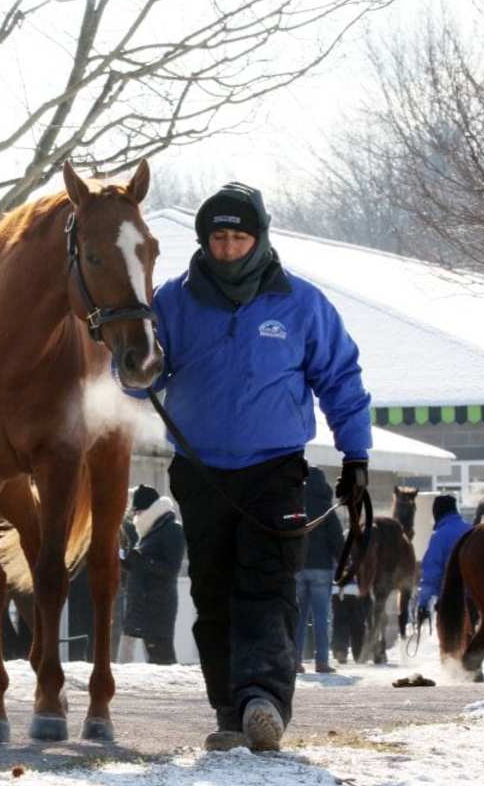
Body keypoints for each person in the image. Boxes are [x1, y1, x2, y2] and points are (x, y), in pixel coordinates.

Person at [124, 182, 371, 751]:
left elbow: (341, 381)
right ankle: (229, 711)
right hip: (201, 471)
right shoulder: (172, 302)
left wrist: (355, 457)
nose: (229, 247)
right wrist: (132, 373)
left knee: (265, 584)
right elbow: (141, 379)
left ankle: (263, 699)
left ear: (259, 238)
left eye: (239, 236)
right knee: (213, 591)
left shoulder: (301, 303)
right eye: (218, 237)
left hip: (275, 469)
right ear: (204, 241)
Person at [119, 484, 186, 665]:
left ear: (148, 510)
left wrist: (140, 560)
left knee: (162, 661)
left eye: (138, 512)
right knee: (125, 658)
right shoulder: (150, 531)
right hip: (138, 604)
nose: (135, 517)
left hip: (157, 607)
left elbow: (171, 569)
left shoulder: (172, 529)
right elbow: (139, 565)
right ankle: (122, 686)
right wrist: (123, 559)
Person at [294, 466, 344, 674]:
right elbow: (337, 540)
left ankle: (295, 661)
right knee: (322, 618)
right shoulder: (326, 510)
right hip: (322, 570)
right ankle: (321, 661)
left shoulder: (296, 507)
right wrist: (343, 564)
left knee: (298, 617)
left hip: (298, 568)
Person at [416, 495, 471, 624]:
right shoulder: (472, 530)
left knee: (453, 643)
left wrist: (423, 603)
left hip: (450, 602)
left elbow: (431, 573)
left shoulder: (439, 537)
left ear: (437, 512)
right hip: (476, 600)